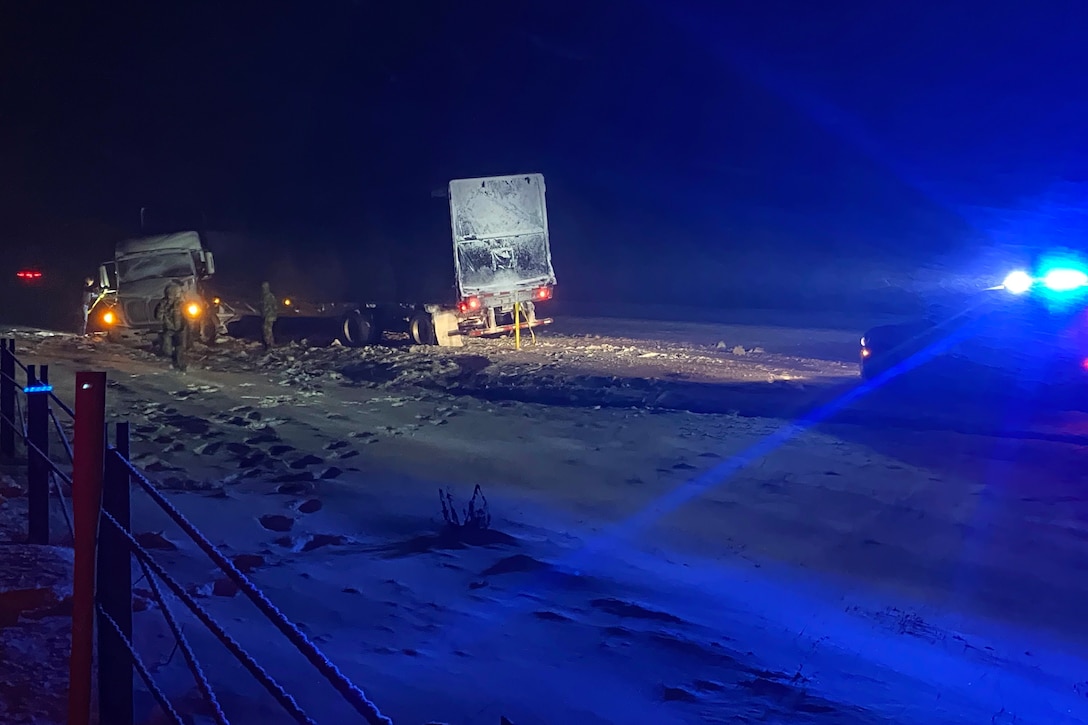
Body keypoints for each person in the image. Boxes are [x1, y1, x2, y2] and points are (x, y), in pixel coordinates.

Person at [156, 282, 188, 371]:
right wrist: (163, 307)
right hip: (168, 330)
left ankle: (180, 366)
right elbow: (158, 317)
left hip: (180, 329)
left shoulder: (182, 304)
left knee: (180, 348)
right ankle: (174, 362)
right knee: (168, 350)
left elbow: (188, 316)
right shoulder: (163, 304)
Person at [260, 281, 278, 350]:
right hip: (267, 315)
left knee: (267, 329)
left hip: (269, 316)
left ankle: (269, 344)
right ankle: (270, 343)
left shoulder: (269, 296)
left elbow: (274, 306)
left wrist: (273, 314)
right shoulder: (265, 296)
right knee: (267, 329)